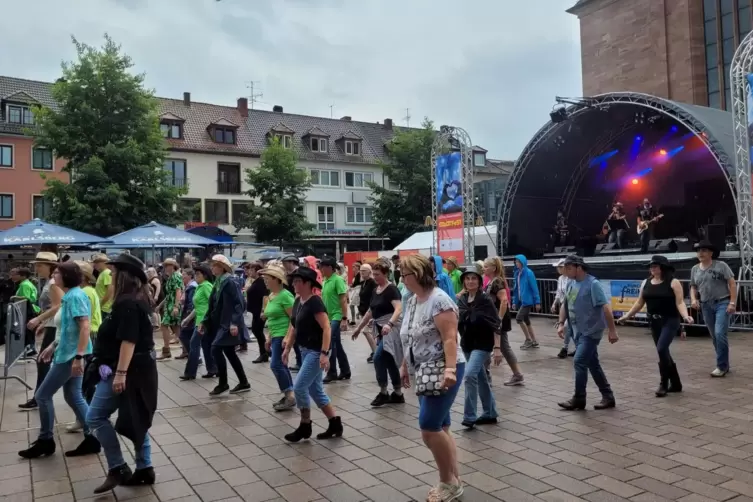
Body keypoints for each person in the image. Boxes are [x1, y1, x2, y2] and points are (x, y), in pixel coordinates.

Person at [85, 254, 158, 494]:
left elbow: (129, 340)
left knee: (95, 417)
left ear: (124, 276)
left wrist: (120, 373)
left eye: (115, 274)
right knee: (136, 416)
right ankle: (144, 468)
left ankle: (118, 467)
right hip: (137, 368)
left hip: (129, 369)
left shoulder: (128, 302)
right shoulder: (138, 299)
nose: (111, 277)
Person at [399, 255, 465, 501]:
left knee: (429, 428)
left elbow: (450, 337)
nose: (402, 279)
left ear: (417, 274)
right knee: (442, 427)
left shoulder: (439, 300)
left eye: (404, 275)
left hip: (444, 368)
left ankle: (447, 481)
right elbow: (411, 336)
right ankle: (454, 479)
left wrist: (449, 370)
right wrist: (405, 364)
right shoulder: (413, 300)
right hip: (424, 370)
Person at [19, 261, 100, 459]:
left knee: (43, 395)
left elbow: (84, 327)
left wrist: (79, 357)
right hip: (66, 352)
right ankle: (93, 437)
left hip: (71, 356)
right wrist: (52, 346)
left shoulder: (75, 296)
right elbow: (66, 329)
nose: (54, 275)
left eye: (58, 273)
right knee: (73, 396)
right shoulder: (70, 296)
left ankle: (46, 440)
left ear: (67, 276)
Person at [281, 267, 344, 442]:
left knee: (300, 386)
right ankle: (335, 423)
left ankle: (305, 424)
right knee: (315, 390)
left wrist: (325, 353)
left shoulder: (315, 302)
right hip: (304, 350)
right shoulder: (298, 301)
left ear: (308, 283)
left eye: (298, 281)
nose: (294, 284)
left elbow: (326, 327)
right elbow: (294, 326)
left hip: (316, 352)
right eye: (293, 281)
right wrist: (287, 349)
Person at [618, 255, 691, 396]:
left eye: (655, 266)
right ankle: (676, 383)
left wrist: (685, 316)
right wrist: (627, 315)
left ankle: (663, 383)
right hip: (654, 321)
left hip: (670, 320)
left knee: (661, 348)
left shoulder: (673, 282)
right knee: (662, 351)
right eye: (651, 266)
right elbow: (640, 302)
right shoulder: (646, 282)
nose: (652, 268)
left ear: (663, 267)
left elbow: (680, 302)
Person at [556, 255, 618, 411]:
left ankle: (579, 398)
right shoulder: (570, 283)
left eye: (569, 268)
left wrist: (612, 330)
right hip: (577, 331)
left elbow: (605, 308)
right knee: (593, 364)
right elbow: (565, 304)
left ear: (579, 267)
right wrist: (561, 323)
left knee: (579, 361)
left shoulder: (593, 284)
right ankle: (608, 396)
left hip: (591, 331)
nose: (566, 271)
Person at [351, 261, 404, 407]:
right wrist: (358, 328)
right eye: (374, 274)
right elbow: (370, 311)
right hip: (381, 329)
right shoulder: (376, 290)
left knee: (378, 357)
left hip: (391, 329)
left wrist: (390, 324)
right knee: (388, 359)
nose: (375, 277)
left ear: (386, 274)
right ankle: (398, 393)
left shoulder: (391, 289)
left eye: (378, 274)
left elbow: (398, 309)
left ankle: (383, 391)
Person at [19, 252, 63, 411]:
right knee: (44, 360)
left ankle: (41, 395)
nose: (36, 268)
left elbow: (59, 305)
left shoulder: (53, 283)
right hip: (51, 324)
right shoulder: (50, 282)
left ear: (50, 266)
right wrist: (44, 322)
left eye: (40, 265)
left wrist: (39, 319)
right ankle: (40, 395)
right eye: (36, 265)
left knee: (43, 360)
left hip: (55, 325)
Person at [203, 255, 251, 396]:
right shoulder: (218, 282)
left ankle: (223, 383)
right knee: (229, 352)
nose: (211, 268)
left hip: (228, 323)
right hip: (220, 323)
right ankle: (243, 382)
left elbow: (239, 303)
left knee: (216, 348)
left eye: (214, 265)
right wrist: (205, 321)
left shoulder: (230, 282)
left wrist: (234, 323)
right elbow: (212, 304)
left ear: (221, 267)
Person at [458, 268, 500, 429]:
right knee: (481, 377)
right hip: (467, 343)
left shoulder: (485, 300)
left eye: (473, 279)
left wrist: (497, 348)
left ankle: (469, 416)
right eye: (467, 279)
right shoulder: (461, 299)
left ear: (479, 282)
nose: (470, 281)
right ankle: (490, 412)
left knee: (469, 376)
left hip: (483, 344)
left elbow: (495, 323)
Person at [689, 240, 736, 377]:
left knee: (720, 333)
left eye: (703, 250)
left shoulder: (721, 266)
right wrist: (693, 299)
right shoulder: (695, 269)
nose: (700, 253)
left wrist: (732, 303)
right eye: (698, 251)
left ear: (711, 253)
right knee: (715, 336)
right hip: (705, 305)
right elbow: (693, 286)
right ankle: (725, 364)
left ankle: (721, 366)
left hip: (722, 302)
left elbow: (732, 284)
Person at [483, 257, 524, 386]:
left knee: (499, 347)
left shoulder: (497, 282)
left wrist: (499, 319)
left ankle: (487, 375)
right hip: (494, 319)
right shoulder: (493, 281)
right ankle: (516, 374)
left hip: (497, 320)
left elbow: (504, 301)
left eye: (486, 266)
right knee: (502, 347)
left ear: (493, 268)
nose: (484, 269)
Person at [260, 265, 296, 411]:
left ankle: (289, 394)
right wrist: (268, 337)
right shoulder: (271, 296)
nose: (266, 282)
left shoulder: (285, 296)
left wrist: (288, 338)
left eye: (268, 279)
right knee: (281, 365)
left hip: (282, 335)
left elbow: (294, 319)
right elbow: (271, 319)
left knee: (276, 365)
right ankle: (289, 395)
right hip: (275, 334)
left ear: (277, 280)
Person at [180, 264, 216, 380]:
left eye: (198, 274)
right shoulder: (199, 287)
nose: (196, 276)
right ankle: (213, 369)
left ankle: (190, 372)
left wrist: (206, 320)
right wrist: (187, 319)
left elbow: (213, 303)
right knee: (205, 346)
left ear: (205, 275)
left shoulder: (206, 286)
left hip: (203, 322)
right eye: (195, 274)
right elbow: (198, 307)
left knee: (194, 345)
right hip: (199, 320)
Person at [320, 256, 351, 383]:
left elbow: (343, 300)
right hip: (328, 316)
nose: (321, 269)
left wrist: (344, 318)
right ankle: (345, 370)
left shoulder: (338, 280)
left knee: (329, 343)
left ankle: (332, 372)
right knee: (336, 343)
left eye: (323, 267)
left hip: (337, 316)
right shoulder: (325, 281)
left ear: (330, 268)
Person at [511, 254, 541, 349]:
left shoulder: (529, 273)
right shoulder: (517, 273)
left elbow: (534, 287)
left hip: (527, 301)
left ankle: (528, 340)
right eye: (516, 262)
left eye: (518, 262)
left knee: (519, 318)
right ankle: (533, 340)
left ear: (523, 262)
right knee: (526, 320)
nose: (517, 263)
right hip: (523, 300)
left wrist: (537, 302)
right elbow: (516, 289)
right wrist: (515, 301)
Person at [157, 258, 184, 360]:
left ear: (173, 266)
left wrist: (176, 306)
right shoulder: (170, 277)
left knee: (164, 325)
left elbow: (178, 291)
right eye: (165, 266)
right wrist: (160, 305)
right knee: (176, 328)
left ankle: (166, 350)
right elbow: (169, 294)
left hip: (173, 305)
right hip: (169, 304)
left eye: (168, 265)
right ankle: (186, 349)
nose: (166, 268)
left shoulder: (176, 276)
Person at [10, 267, 40, 357]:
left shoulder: (25, 285)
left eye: (16, 274)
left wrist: (14, 297)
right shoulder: (26, 283)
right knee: (29, 329)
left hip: (29, 309)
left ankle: (30, 348)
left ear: (23, 276)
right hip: (30, 309)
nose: (13, 276)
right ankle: (30, 348)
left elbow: (26, 298)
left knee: (28, 330)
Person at [281, 254, 303, 370]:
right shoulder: (288, 274)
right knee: (292, 333)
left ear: (291, 262)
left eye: (285, 263)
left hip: (296, 304)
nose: (284, 266)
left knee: (295, 332)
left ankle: (301, 360)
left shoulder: (298, 273)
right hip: (289, 304)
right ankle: (299, 360)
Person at [245, 262, 269, 363]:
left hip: (259, 311)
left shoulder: (261, 282)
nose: (249, 271)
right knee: (256, 330)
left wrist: (263, 310)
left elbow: (265, 296)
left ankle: (264, 353)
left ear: (257, 271)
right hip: (255, 311)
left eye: (251, 269)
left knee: (257, 330)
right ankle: (265, 351)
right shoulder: (255, 281)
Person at [551, 258, 575, 358]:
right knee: (571, 329)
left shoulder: (572, 279)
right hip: (564, 306)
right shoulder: (560, 279)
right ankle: (577, 347)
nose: (558, 269)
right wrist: (554, 303)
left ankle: (565, 348)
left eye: (560, 267)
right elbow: (559, 292)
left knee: (567, 326)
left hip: (571, 306)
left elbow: (572, 294)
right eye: (558, 267)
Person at [356, 263, 378, 362]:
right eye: (361, 270)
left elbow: (375, 297)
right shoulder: (363, 282)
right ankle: (375, 352)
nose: (362, 272)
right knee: (371, 333)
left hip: (370, 312)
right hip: (363, 311)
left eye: (364, 271)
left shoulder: (372, 283)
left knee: (366, 331)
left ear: (370, 272)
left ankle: (376, 353)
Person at [92, 254, 114, 322]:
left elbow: (110, 290)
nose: (94, 265)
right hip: (102, 307)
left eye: (97, 263)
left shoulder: (107, 273)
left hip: (105, 308)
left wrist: (101, 304)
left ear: (103, 263)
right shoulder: (102, 273)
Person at [348, 261, 362, 325]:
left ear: (357, 267)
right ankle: (355, 318)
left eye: (354, 266)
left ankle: (354, 319)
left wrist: (352, 286)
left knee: (353, 305)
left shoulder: (359, 274)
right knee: (357, 305)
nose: (353, 267)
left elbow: (357, 283)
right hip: (355, 290)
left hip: (358, 291)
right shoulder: (356, 274)